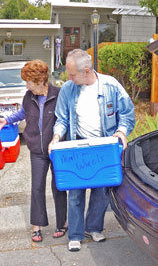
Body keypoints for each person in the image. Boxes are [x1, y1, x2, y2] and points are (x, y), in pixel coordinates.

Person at [48, 49, 135, 252]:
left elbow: (127, 113)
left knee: (101, 191)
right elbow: (61, 119)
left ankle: (94, 228)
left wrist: (122, 132)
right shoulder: (68, 89)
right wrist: (55, 138)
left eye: (71, 74)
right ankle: (75, 234)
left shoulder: (111, 85)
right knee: (75, 191)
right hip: (78, 145)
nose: (68, 78)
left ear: (86, 70)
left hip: (104, 145)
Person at [0, 59, 67, 242]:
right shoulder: (28, 96)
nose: (27, 85)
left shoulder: (58, 94)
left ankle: (62, 223)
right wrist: (6, 120)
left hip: (57, 149)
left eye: (29, 82)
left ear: (40, 80)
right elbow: (23, 113)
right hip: (37, 149)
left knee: (59, 187)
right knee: (37, 187)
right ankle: (37, 225)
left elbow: (65, 118)